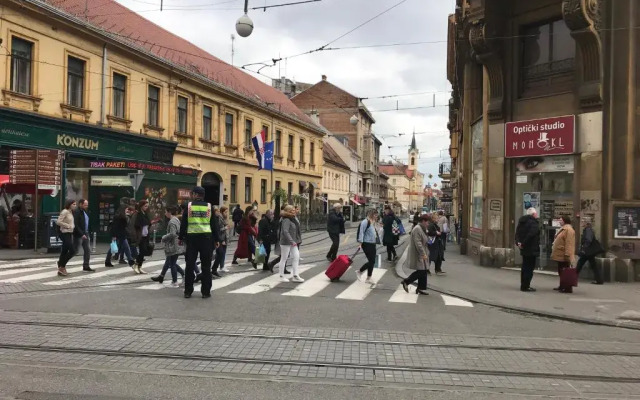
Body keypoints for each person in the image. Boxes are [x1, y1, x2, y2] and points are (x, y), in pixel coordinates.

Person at [178, 187, 215, 299]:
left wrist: (181, 237)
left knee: (189, 266)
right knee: (206, 266)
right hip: (206, 239)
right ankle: (205, 292)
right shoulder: (209, 207)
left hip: (192, 239)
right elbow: (214, 224)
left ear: (194, 194)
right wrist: (217, 239)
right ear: (203, 195)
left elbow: (184, 223)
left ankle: (188, 291)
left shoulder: (189, 206)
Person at [151, 206, 185, 287]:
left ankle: (175, 281)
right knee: (172, 262)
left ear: (169, 212)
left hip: (173, 244)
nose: (165, 213)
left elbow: (172, 234)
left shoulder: (172, 221)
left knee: (172, 263)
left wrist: (164, 237)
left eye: (166, 212)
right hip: (177, 244)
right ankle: (179, 276)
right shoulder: (176, 220)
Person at [401, 214, 430, 295]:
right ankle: (406, 281)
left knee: (423, 270)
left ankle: (420, 288)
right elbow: (418, 243)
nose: (428, 224)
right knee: (421, 271)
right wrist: (423, 254)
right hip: (418, 253)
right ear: (423, 221)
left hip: (422, 252)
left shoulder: (422, 228)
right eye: (427, 222)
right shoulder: (417, 229)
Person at [515, 207, 540, 292]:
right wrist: (523, 243)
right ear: (533, 214)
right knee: (529, 268)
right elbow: (531, 235)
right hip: (531, 248)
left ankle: (523, 285)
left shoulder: (522, 221)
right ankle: (526, 286)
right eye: (536, 213)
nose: (537, 215)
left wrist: (519, 243)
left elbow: (517, 233)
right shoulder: (533, 223)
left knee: (524, 267)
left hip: (524, 249)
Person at [277, 205, 304, 283]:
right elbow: (285, 231)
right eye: (292, 210)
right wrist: (291, 241)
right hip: (286, 242)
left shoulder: (293, 219)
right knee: (284, 258)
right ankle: (281, 276)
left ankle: (295, 275)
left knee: (296, 257)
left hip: (293, 241)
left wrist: (295, 240)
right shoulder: (286, 219)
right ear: (288, 211)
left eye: (294, 210)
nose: (294, 211)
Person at [552, 216, 576, 293]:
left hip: (564, 254)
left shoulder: (568, 230)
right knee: (561, 270)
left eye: (561, 220)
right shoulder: (563, 228)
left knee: (565, 271)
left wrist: (567, 254)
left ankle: (567, 287)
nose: (559, 221)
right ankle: (562, 285)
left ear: (565, 221)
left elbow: (569, 243)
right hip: (560, 254)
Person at [356, 208, 380, 284]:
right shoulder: (365, 222)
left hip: (372, 243)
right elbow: (361, 232)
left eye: (377, 215)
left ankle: (368, 277)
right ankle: (360, 271)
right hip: (366, 243)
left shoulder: (373, 222)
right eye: (375, 215)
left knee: (372, 261)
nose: (376, 216)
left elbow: (375, 232)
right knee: (372, 261)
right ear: (371, 215)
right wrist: (360, 244)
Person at [133, 200, 156, 274]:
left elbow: (148, 222)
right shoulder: (138, 214)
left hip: (146, 235)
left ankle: (139, 267)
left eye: (147, 206)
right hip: (140, 235)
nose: (146, 207)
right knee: (142, 251)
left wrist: (150, 223)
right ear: (141, 206)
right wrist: (148, 223)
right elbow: (137, 224)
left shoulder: (145, 213)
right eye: (145, 206)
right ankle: (136, 265)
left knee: (144, 251)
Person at [56, 199, 77, 276]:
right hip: (65, 233)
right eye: (74, 204)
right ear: (69, 204)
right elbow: (58, 222)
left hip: (70, 233)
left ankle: (60, 266)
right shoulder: (65, 211)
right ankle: (62, 266)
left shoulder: (71, 212)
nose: (75, 206)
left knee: (64, 250)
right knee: (72, 250)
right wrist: (68, 226)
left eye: (75, 204)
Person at [73, 199, 94, 272]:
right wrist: (81, 234)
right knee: (75, 251)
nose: (86, 206)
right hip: (79, 234)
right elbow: (76, 224)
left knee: (87, 250)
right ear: (80, 204)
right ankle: (61, 263)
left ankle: (86, 266)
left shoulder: (85, 211)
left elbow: (87, 222)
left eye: (87, 205)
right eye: (85, 205)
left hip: (86, 233)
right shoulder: (77, 212)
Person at [212, 206, 229, 276]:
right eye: (217, 211)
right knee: (220, 253)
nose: (218, 212)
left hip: (218, 239)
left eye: (218, 211)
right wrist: (221, 240)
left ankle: (214, 269)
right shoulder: (215, 219)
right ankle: (214, 269)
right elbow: (217, 230)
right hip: (217, 239)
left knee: (220, 254)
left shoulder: (218, 218)